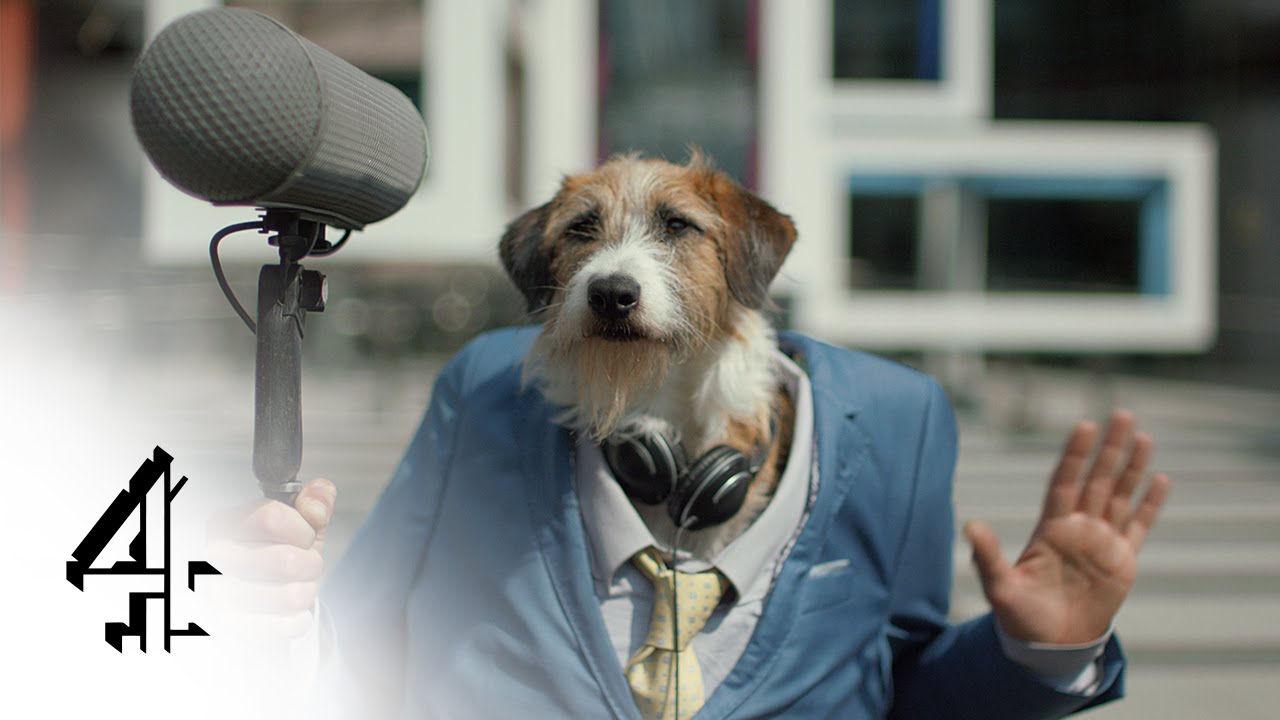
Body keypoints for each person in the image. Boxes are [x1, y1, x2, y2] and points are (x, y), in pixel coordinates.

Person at [209, 329, 1169, 719]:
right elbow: (350, 642)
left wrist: (1037, 651)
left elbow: (904, 689)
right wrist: (265, 623)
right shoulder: (493, 394)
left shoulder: (898, 422)